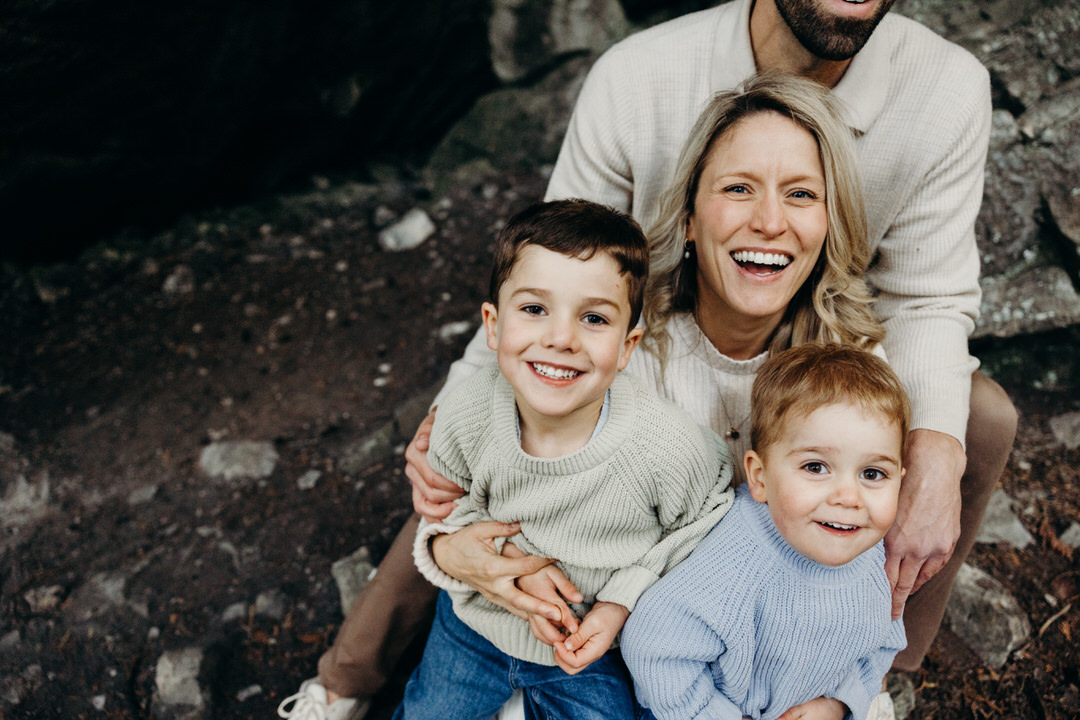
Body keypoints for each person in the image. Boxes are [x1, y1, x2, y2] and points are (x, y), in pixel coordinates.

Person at [415, 0, 1017, 680]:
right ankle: (350, 674)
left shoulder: (944, 87)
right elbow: (550, 284)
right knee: (474, 460)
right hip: (641, 396)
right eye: (736, 189)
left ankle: (881, 672)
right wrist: (451, 447)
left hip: (803, 362)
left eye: (800, 196)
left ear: (832, 218)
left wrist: (932, 454)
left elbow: (929, 297)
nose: (769, 219)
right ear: (691, 214)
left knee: (978, 416)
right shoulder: (640, 78)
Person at [390, 198, 734, 720]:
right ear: (493, 324)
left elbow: (705, 521)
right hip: (474, 623)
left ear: (626, 346)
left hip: (586, 644)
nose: (560, 338)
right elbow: (445, 506)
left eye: (593, 318)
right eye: (533, 309)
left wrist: (622, 600)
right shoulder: (466, 412)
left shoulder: (662, 447)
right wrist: (477, 551)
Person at [622, 343, 910, 720]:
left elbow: (882, 641)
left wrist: (839, 702)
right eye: (816, 467)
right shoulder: (736, 561)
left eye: (872, 474)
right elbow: (654, 648)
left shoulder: (873, 554)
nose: (848, 497)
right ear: (760, 477)